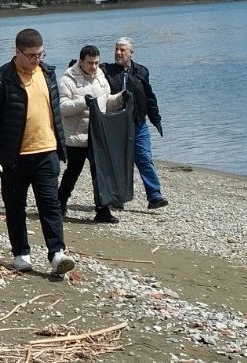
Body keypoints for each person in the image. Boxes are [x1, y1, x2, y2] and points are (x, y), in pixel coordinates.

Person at [0, 28, 76, 276]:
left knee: (50, 204)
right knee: (15, 206)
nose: (36, 60)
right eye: (31, 56)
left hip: (46, 152)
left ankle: (57, 254)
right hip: (13, 156)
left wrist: (62, 147)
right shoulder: (0, 78)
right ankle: (20, 253)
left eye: (40, 54)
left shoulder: (49, 73)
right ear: (17, 52)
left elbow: (54, 110)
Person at [57, 45, 124, 223]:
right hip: (76, 137)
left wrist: (120, 99)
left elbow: (106, 103)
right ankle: (59, 205)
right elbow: (62, 108)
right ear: (81, 62)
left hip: (97, 135)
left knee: (101, 174)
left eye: (96, 63)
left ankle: (103, 211)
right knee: (72, 173)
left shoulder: (101, 76)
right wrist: (83, 101)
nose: (94, 67)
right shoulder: (67, 80)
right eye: (90, 63)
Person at [101, 36, 169, 210]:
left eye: (122, 50)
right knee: (119, 162)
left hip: (138, 123)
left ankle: (154, 196)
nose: (118, 53)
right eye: (116, 49)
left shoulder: (141, 71)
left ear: (131, 52)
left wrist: (156, 119)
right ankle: (117, 198)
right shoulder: (106, 71)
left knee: (144, 158)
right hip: (116, 125)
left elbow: (150, 97)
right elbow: (88, 72)